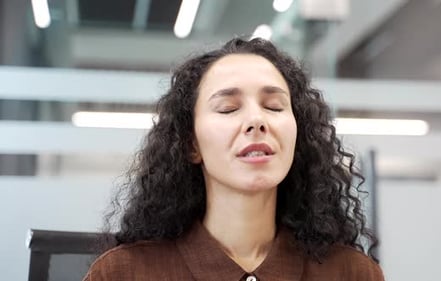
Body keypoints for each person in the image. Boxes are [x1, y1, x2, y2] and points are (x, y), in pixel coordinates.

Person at [83, 37, 384, 281]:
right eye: (228, 108)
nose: (256, 120)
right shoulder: (123, 274)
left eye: (274, 106)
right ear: (191, 145)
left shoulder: (352, 273)